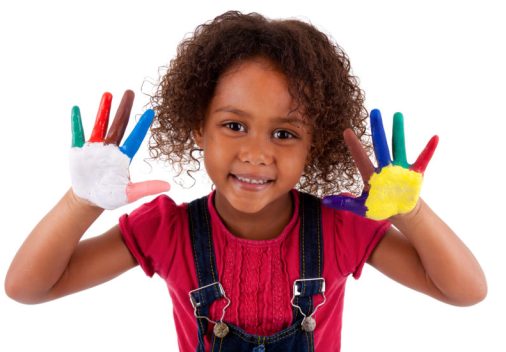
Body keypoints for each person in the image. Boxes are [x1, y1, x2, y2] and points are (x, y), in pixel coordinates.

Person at [4, 10, 486, 352]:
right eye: (234, 125)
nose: (256, 152)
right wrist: (79, 202)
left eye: (284, 133)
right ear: (197, 126)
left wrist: (411, 213)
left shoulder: (340, 228)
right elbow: (28, 288)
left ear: (313, 146)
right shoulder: (167, 231)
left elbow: (465, 291)